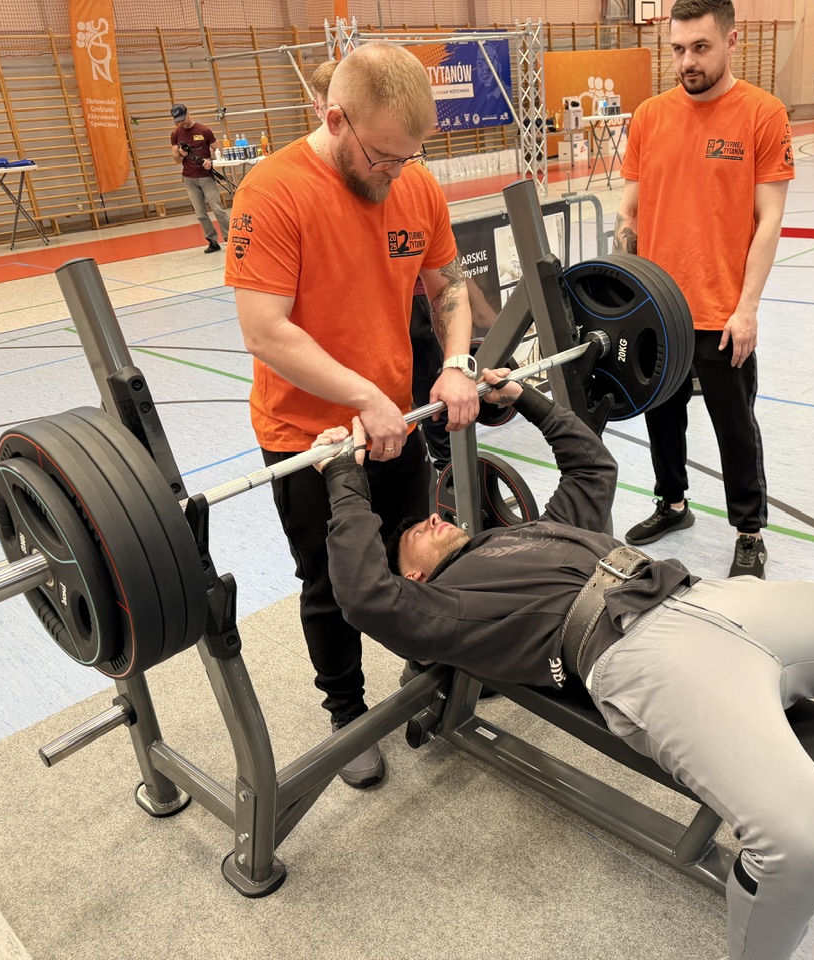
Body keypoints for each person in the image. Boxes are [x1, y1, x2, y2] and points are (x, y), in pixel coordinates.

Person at [311, 370, 814, 960]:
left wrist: (528, 400)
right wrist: (345, 478)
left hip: (716, 597)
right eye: (413, 537)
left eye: (428, 518)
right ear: (414, 579)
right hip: (645, 658)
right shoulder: (446, 608)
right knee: (805, 842)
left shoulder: (533, 531)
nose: (429, 519)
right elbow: (365, 595)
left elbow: (592, 468)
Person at [223, 43, 480, 788]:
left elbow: (448, 286)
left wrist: (457, 362)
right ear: (333, 119)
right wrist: (365, 396)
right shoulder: (272, 194)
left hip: (396, 423)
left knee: (415, 554)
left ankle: (428, 668)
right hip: (308, 439)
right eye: (383, 157)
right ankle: (346, 714)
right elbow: (264, 330)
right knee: (333, 582)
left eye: (409, 157)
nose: (396, 172)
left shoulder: (414, 183)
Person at [614, 0, 794, 579]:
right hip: (657, 308)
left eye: (700, 47)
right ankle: (672, 504)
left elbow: (769, 219)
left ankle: (748, 530)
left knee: (734, 425)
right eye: (677, 49)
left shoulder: (763, 114)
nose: (687, 61)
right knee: (661, 417)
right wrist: (626, 296)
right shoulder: (649, 117)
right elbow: (630, 211)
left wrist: (748, 309)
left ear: (731, 41)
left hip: (722, 310)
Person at [169, 103, 228, 253]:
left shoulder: (204, 130)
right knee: (200, 213)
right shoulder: (175, 134)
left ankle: (231, 237)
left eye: (182, 119)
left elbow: (219, 149)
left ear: (188, 114)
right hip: (189, 178)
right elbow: (176, 159)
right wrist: (181, 154)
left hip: (205, 177)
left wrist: (211, 160)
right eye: (177, 121)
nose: (181, 123)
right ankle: (212, 241)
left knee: (218, 209)